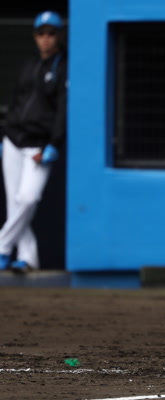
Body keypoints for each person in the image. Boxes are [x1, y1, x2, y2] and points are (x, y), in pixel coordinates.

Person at [0, 11, 67, 273]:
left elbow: (63, 110)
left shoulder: (63, 67)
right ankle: (28, 258)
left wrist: (54, 143)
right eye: (41, 33)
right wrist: (5, 135)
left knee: (28, 198)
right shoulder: (28, 65)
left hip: (38, 145)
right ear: (35, 36)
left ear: (58, 36)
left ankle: (2, 246)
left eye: (51, 33)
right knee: (15, 203)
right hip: (14, 140)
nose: (46, 39)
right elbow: (16, 102)